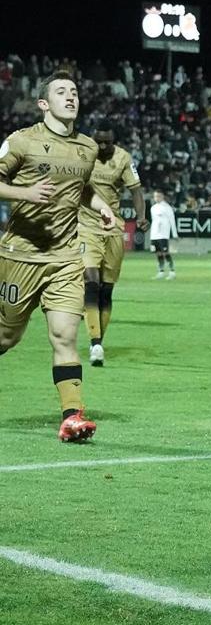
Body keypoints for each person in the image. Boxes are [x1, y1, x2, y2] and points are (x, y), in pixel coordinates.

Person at [0, 71, 116, 442]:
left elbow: (83, 189)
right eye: (61, 92)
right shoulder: (22, 141)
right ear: (43, 103)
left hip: (66, 258)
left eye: (75, 92)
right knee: (5, 338)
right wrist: (25, 193)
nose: (71, 97)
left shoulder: (87, 148)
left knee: (65, 335)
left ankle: (72, 417)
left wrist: (102, 206)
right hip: (20, 255)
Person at [81, 123, 146, 366]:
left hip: (114, 228)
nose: (103, 146)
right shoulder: (82, 154)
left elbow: (136, 190)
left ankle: (97, 342)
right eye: (99, 141)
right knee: (91, 281)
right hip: (85, 226)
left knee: (106, 290)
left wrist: (140, 216)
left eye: (107, 142)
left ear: (114, 140)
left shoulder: (123, 158)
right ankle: (95, 342)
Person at [149, 190, 178, 279]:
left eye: (158, 196)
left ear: (162, 197)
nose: (156, 198)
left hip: (163, 234)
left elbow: (172, 221)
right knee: (158, 253)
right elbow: (154, 221)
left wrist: (174, 234)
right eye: (155, 196)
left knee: (165, 252)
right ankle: (161, 271)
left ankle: (172, 271)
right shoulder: (153, 208)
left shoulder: (167, 208)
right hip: (154, 234)